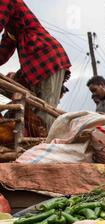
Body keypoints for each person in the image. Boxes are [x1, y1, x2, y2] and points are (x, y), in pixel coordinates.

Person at [0, 0, 71, 130]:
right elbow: (3, 53)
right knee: (34, 110)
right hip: (35, 66)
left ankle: (47, 147)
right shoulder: (11, 28)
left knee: (44, 112)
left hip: (48, 58)